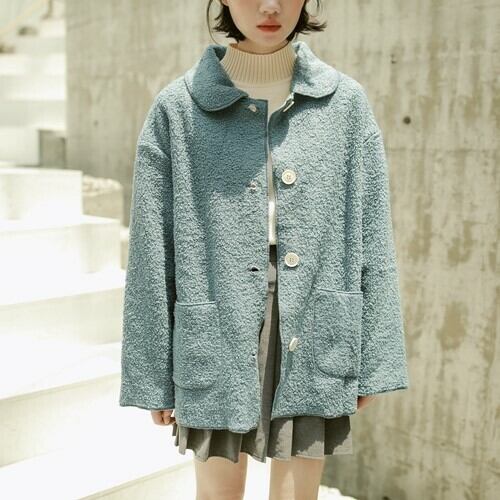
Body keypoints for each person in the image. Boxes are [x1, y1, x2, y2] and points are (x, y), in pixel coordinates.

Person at [119, 1, 410, 499]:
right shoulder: (179, 108)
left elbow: (373, 236)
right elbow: (151, 251)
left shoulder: (344, 103)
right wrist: (151, 373)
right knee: (218, 493)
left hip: (317, 318)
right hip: (214, 320)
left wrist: (376, 357)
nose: (270, 6)